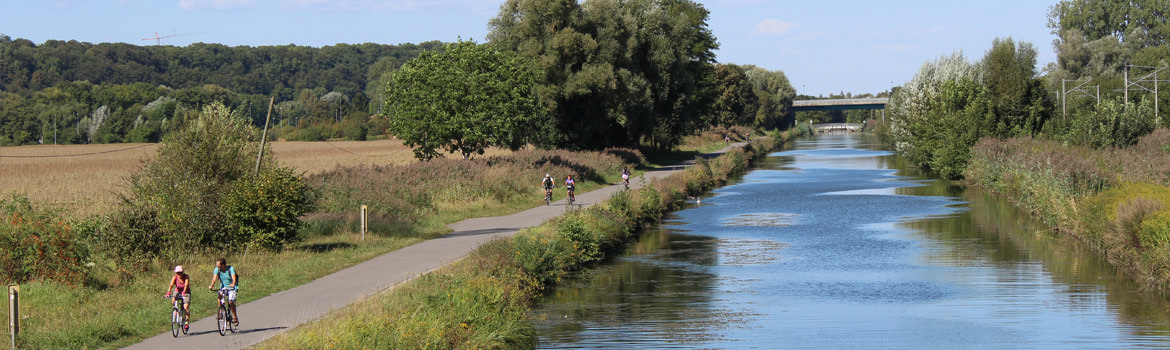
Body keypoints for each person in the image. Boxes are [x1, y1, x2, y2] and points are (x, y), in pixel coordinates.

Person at [208, 257, 239, 327]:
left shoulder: (231, 269)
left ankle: (235, 317)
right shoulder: (217, 270)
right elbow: (214, 278)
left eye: (218, 265)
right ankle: (220, 313)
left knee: (231, 301)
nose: (217, 267)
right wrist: (212, 285)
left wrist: (233, 283)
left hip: (232, 287)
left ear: (223, 265)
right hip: (223, 287)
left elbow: (234, 277)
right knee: (220, 297)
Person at [165, 265, 192, 332]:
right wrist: (168, 292)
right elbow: (171, 285)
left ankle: (186, 323)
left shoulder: (186, 277)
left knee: (185, 307)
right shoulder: (175, 277)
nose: (179, 274)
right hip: (177, 290)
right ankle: (175, 310)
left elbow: (186, 285)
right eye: (177, 273)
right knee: (174, 298)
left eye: (180, 272)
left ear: (183, 272)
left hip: (186, 292)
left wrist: (184, 293)